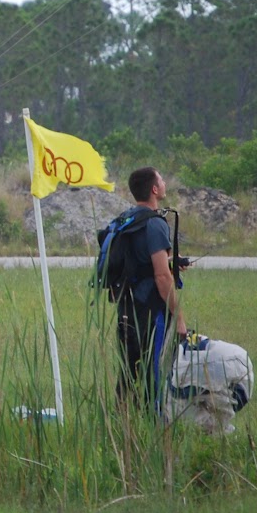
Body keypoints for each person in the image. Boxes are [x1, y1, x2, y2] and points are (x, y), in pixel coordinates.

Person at [111, 167, 189, 414]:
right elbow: (161, 276)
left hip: (126, 308)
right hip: (150, 313)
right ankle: (152, 427)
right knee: (153, 375)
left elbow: (140, 261)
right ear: (154, 189)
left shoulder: (127, 220)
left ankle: (120, 425)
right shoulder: (155, 224)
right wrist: (179, 319)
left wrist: (170, 263)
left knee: (127, 373)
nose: (165, 182)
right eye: (162, 179)